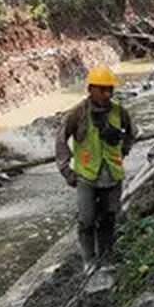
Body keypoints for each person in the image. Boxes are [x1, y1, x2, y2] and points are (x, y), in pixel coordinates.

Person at [55, 65, 137, 269]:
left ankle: (106, 257)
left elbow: (132, 132)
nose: (107, 94)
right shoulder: (78, 114)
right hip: (87, 176)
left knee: (109, 218)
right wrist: (66, 170)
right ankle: (89, 260)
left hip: (112, 174)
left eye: (110, 89)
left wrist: (124, 150)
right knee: (87, 219)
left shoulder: (119, 112)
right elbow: (60, 140)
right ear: (90, 89)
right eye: (102, 89)